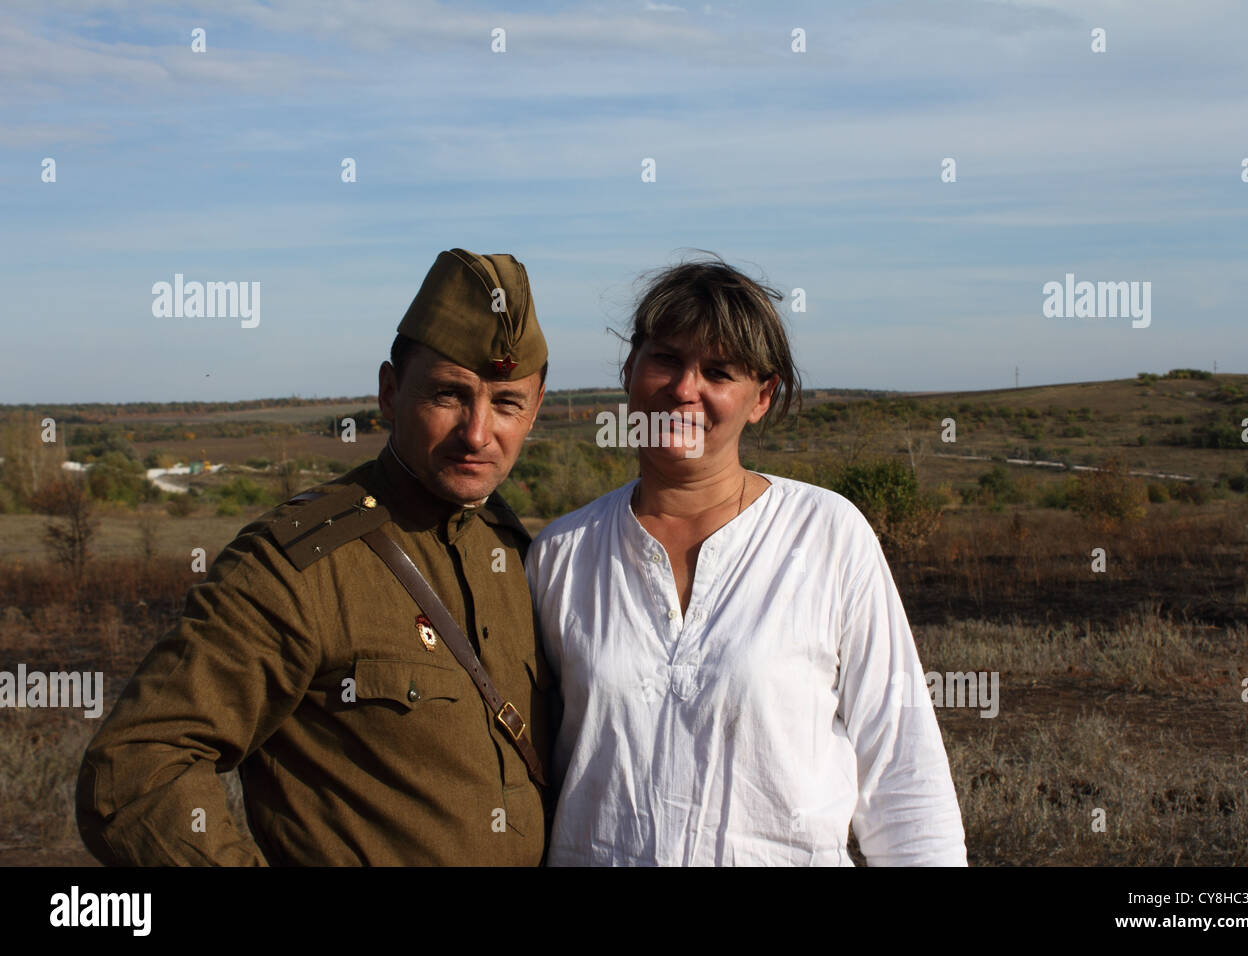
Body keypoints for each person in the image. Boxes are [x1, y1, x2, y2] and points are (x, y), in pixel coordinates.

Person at [76, 248, 555, 865]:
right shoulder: (298, 565)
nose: (478, 432)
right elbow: (134, 772)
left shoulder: (520, 554)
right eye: (447, 395)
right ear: (389, 393)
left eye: (507, 403)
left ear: (536, 408)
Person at [526, 255, 967, 866]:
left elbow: (903, 771)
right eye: (666, 359)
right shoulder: (560, 556)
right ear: (629, 369)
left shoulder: (826, 535)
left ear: (761, 397)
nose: (685, 389)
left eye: (719, 371)